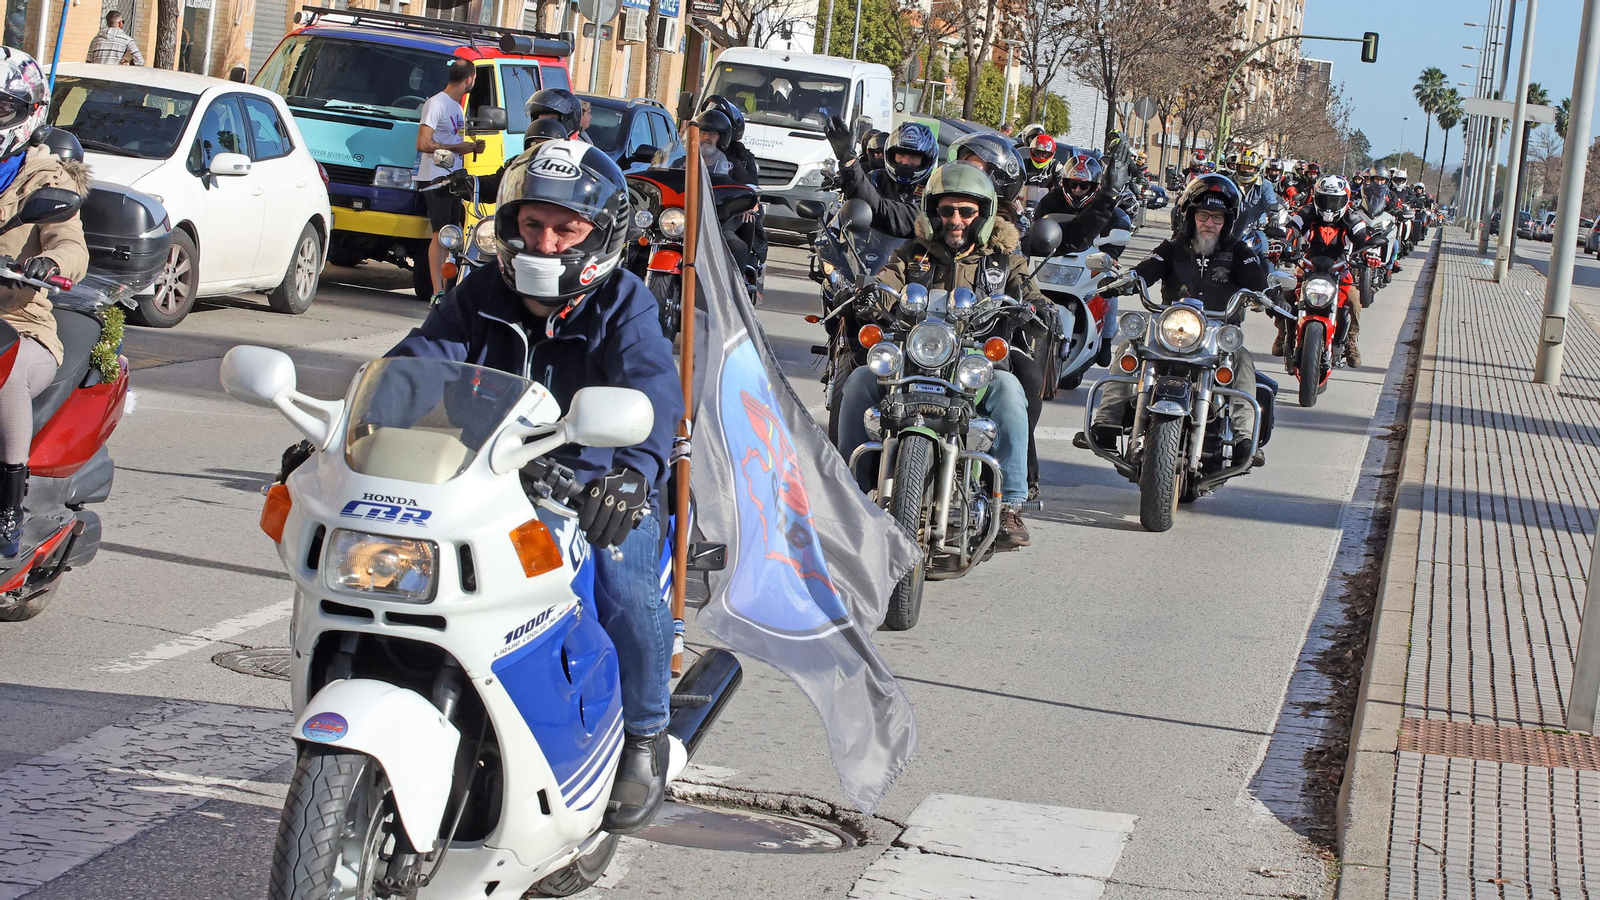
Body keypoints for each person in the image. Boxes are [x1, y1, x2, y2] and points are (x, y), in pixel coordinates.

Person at [389, 139, 681, 835]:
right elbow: (421, 361)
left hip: (591, 487)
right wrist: (343, 428)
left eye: (564, 228)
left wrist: (634, 476)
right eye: (532, 224)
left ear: (600, 234)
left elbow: (653, 393)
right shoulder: (480, 292)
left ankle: (644, 734)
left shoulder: (624, 303)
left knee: (621, 576)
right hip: (481, 479)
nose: (544, 242)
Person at [834, 164, 1040, 549]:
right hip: (914, 358)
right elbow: (887, 278)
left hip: (972, 363)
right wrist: (870, 293)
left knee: (1011, 389)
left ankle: (1011, 502)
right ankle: (848, 489)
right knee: (860, 380)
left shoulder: (1002, 261)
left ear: (984, 215)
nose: (955, 220)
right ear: (933, 213)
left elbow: (1028, 291)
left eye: (966, 212)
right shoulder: (914, 253)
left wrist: (1038, 306)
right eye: (947, 211)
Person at [1086, 174, 1271, 465]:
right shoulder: (1172, 249)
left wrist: (1264, 294)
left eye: (1218, 218)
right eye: (1203, 215)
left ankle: (1243, 437)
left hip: (1217, 336)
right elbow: (1146, 268)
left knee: (1243, 361)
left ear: (1228, 222)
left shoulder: (1238, 252)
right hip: (1172, 332)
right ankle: (1106, 423)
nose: (1209, 223)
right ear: (1188, 216)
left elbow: (1257, 281)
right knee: (1128, 349)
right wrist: (1127, 280)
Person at [0, 50, 90, 556]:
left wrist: (51, 264)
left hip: (19, 322)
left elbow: (71, 244)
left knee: (3, 368)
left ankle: (8, 505)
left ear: (27, 112)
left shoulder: (46, 179)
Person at [1277, 174, 1379, 366]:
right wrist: (1281, 244)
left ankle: (1350, 339)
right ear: (1316, 197)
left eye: (1335, 200)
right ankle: (1282, 332)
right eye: (1325, 199)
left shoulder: (1352, 217)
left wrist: (1369, 253)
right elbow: (1292, 228)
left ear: (1345, 199)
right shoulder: (1306, 212)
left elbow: (1362, 237)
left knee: (1354, 301)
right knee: (1286, 293)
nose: (1330, 206)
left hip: (1339, 267)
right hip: (1308, 265)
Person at [415, 59, 486, 305]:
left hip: (452, 178)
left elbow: (449, 143)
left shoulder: (456, 107)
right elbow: (423, 143)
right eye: (474, 79)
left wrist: (470, 148)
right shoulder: (437, 104)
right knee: (441, 233)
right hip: (435, 180)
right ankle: (437, 291)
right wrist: (457, 147)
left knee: (453, 234)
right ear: (469, 79)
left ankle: (448, 286)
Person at [824, 118, 936, 238]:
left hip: (911, 254)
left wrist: (849, 161)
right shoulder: (876, 178)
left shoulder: (933, 190)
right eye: (901, 155)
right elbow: (859, 193)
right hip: (866, 251)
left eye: (914, 156)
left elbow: (880, 209)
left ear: (926, 160)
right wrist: (847, 173)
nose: (905, 162)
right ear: (892, 155)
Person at [948, 131, 1025, 225]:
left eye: (975, 171)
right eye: (963, 169)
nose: (965, 175)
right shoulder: (946, 211)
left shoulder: (1006, 229)